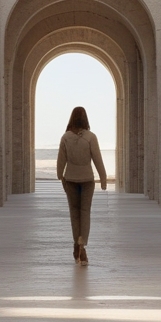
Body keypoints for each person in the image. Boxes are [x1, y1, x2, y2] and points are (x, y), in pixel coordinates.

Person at [55, 106, 108, 266]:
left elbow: (61, 160)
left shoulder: (65, 137)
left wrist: (60, 176)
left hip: (70, 179)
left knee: (74, 213)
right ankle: (82, 246)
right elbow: (97, 158)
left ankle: (76, 243)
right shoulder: (91, 137)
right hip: (87, 180)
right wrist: (103, 178)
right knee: (85, 213)